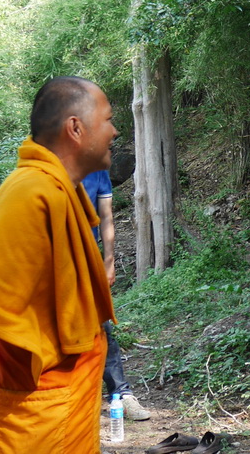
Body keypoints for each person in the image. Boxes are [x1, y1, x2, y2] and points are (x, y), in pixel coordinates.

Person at [0, 76, 119, 454]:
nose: (114, 131)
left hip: (61, 412)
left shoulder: (56, 190)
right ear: (76, 128)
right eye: (107, 119)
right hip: (31, 425)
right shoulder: (29, 194)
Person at [82, 169, 151, 421]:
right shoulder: (52, 167)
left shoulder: (98, 171)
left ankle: (121, 395)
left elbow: (106, 216)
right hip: (52, 263)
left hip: (88, 258)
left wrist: (109, 260)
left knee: (101, 327)